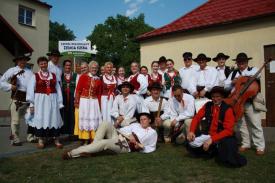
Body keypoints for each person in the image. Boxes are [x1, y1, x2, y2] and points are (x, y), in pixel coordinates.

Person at [187, 86, 247, 167]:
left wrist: (212, 139)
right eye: (213, 97)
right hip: (208, 134)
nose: (215, 99)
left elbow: (228, 131)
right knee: (191, 142)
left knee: (226, 155)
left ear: (222, 97)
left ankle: (214, 149)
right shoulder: (208, 105)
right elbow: (197, 117)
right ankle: (211, 149)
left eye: (218, 96)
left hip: (221, 137)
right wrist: (191, 131)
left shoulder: (227, 109)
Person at [62, 112, 157, 160]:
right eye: (141, 119)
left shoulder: (152, 132)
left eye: (144, 119)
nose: (142, 121)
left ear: (149, 120)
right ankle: (92, 149)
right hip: (121, 136)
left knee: (104, 143)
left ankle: (72, 153)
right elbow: (122, 130)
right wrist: (129, 134)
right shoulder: (136, 125)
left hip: (125, 145)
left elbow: (151, 147)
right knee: (105, 123)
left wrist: (139, 147)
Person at [224, 53, 265, 155]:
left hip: (250, 102)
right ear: (237, 63)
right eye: (239, 62)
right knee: (241, 125)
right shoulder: (233, 73)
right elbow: (225, 86)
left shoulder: (253, 70)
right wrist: (232, 82)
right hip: (237, 102)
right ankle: (246, 143)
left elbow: (258, 75)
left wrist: (242, 78)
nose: (241, 64)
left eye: (243, 62)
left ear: (247, 62)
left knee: (255, 124)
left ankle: (259, 146)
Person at [26, 57, 64, 149]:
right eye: (41, 64)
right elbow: (30, 90)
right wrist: (31, 104)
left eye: (44, 63)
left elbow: (58, 89)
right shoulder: (35, 76)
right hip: (40, 101)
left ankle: (56, 140)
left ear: (47, 64)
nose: (43, 65)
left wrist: (60, 102)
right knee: (41, 118)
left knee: (54, 118)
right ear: (39, 65)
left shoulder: (53, 75)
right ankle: (41, 140)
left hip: (53, 100)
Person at [0, 53, 34, 145]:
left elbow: (33, 86)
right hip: (17, 98)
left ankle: (31, 137)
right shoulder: (12, 70)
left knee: (31, 119)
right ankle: (15, 139)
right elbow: (1, 81)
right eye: (20, 59)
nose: (23, 61)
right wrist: (10, 86)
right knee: (15, 121)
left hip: (28, 99)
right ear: (17, 61)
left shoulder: (30, 72)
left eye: (24, 60)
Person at [74, 61, 103, 144]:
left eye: (96, 68)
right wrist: (77, 101)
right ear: (89, 68)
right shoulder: (83, 77)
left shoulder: (98, 80)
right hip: (84, 101)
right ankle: (85, 139)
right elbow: (78, 90)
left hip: (94, 102)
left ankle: (93, 139)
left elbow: (99, 94)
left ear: (97, 69)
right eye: (92, 68)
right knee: (86, 119)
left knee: (93, 120)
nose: (94, 69)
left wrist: (100, 105)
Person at [60, 60, 77, 136]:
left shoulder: (75, 75)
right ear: (64, 66)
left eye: (69, 65)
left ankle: (71, 132)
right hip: (63, 98)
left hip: (72, 98)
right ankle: (64, 132)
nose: (68, 67)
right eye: (66, 65)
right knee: (63, 114)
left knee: (72, 115)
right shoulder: (60, 75)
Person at [74, 61, 89, 141]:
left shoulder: (90, 76)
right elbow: (77, 90)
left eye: (85, 67)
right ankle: (81, 137)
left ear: (88, 68)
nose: (83, 69)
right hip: (79, 100)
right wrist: (76, 101)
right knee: (79, 118)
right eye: (82, 68)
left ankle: (87, 137)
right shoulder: (78, 76)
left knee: (87, 118)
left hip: (88, 101)